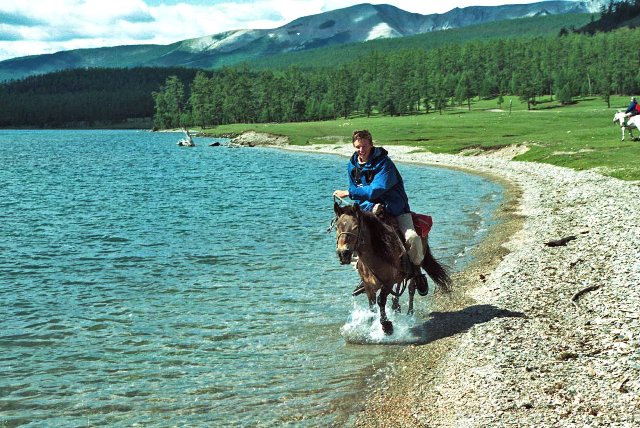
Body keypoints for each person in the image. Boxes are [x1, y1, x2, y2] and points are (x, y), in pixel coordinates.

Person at [333, 130, 426, 288]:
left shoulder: (384, 164)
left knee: (412, 238)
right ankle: (365, 275)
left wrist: (349, 192)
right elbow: (359, 198)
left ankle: (416, 272)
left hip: (396, 209)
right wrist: (371, 206)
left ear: (371, 145)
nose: (361, 150)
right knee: (353, 236)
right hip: (371, 210)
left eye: (364, 146)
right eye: (357, 147)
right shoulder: (352, 165)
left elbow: (376, 189)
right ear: (353, 146)